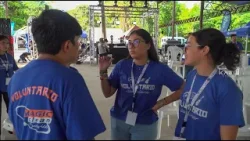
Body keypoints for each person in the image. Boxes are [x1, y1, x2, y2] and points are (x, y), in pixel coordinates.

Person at [7, 9, 106, 140]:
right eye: (77, 41)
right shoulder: (69, 79)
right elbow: (82, 135)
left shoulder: (17, 78)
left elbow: (15, 128)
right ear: (67, 45)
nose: (79, 46)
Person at [99, 29, 185, 140]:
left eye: (136, 42)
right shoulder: (122, 65)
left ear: (148, 45)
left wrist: (162, 102)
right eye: (129, 42)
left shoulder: (159, 69)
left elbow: (184, 88)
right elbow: (107, 93)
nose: (131, 46)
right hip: (119, 119)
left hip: (145, 122)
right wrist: (103, 72)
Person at [174, 28, 245, 140]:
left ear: (204, 50)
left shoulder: (227, 90)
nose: (184, 50)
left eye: (188, 45)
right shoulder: (192, 75)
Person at [0, 35, 18, 135]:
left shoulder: (10, 57)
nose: (6, 45)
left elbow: (16, 69)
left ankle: (11, 126)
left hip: (8, 87)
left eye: (7, 43)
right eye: (3, 43)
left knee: (11, 107)